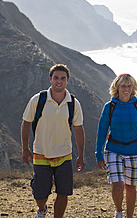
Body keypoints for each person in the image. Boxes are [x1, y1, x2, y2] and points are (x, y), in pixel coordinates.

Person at [21, 64, 85, 218]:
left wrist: (81, 156)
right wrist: (25, 148)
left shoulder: (73, 104)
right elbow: (26, 123)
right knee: (40, 194)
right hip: (41, 153)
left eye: (63, 78)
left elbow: (78, 130)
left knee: (63, 193)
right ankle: (42, 209)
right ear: (50, 79)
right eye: (56, 78)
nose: (59, 81)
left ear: (67, 80)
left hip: (64, 154)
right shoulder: (38, 100)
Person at [95, 73, 137, 218]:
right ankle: (119, 212)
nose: (126, 89)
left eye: (129, 86)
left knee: (131, 187)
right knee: (118, 186)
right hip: (113, 150)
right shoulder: (110, 107)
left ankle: (129, 216)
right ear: (117, 87)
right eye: (123, 86)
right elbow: (102, 131)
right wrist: (98, 153)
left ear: (133, 88)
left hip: (134, 150)